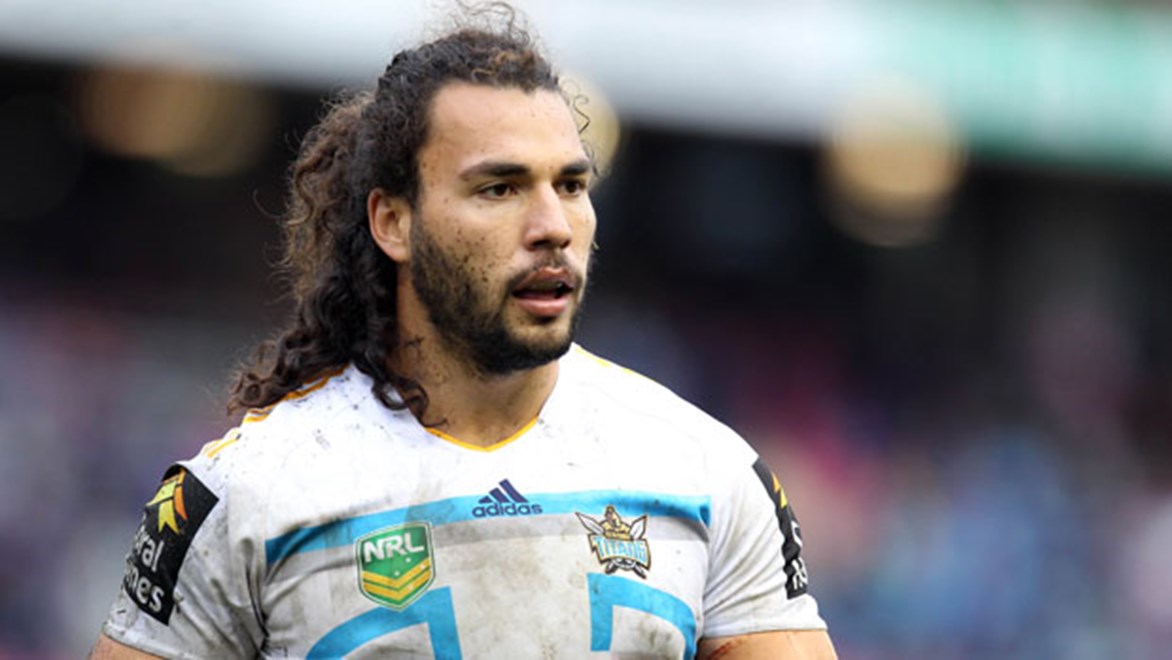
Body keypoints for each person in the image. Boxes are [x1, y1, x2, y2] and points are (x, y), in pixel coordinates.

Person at [92, 8, 836, 659]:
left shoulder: (706, 472)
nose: (553, 226)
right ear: (394, 222)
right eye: (499, 188)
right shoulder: (245, 497)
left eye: (571, 186)